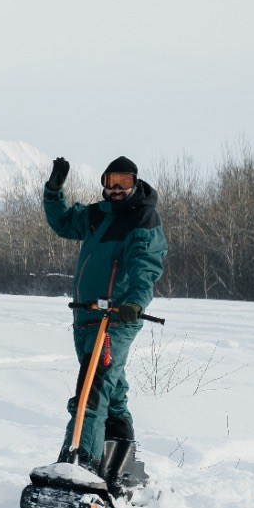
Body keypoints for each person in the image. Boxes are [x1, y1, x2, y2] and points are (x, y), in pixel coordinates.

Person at [43, 154, 168, 476]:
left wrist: (136, 303)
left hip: (119, 317)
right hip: (86, 315)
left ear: (135, 182)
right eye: (110, 182)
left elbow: (146, 266)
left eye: (123, 182)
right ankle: (123, 468)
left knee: (93, 386)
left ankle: (80, 460)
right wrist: (54, 189)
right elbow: (62, 223)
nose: (116, 189)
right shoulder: (97, 215)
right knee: (113, 391)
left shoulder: (143, 218)